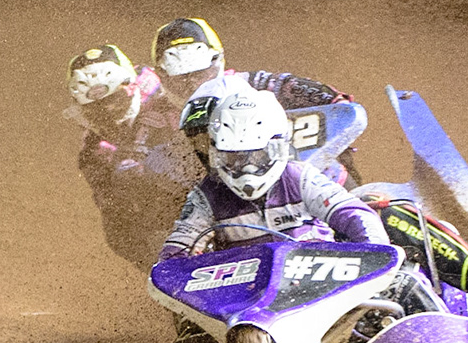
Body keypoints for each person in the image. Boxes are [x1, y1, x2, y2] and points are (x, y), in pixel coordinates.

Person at [160, 88, 386, 261]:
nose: (247, 168)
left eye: (258, 156)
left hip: (318, 284)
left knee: (401, 284)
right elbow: (178, 247)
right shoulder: (207, 195)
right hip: (245, 298)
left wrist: (375, 253)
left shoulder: (299, 177)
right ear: (216, 155)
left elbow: (352, 212)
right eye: (234, 158)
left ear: (279, 147)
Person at [153, 17, 361, 183]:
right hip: (216, 199)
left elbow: (334, 103)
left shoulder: (255, 84)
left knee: (339, 176)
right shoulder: (152, 115)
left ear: (218, 61)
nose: (193, 85)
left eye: (200, 74)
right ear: (162, 76)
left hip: (295, 178)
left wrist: (339, 125)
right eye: (182, 79)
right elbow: (129, 167)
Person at [62, 44, 197, 270]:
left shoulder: (170, 89)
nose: (107, 111)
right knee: (119, 231)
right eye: (96, 108)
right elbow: (106, 195)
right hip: (165, 202)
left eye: (114, 101)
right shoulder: (93, 148)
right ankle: (169, 275)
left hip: (210, 176)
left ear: (131, 87)